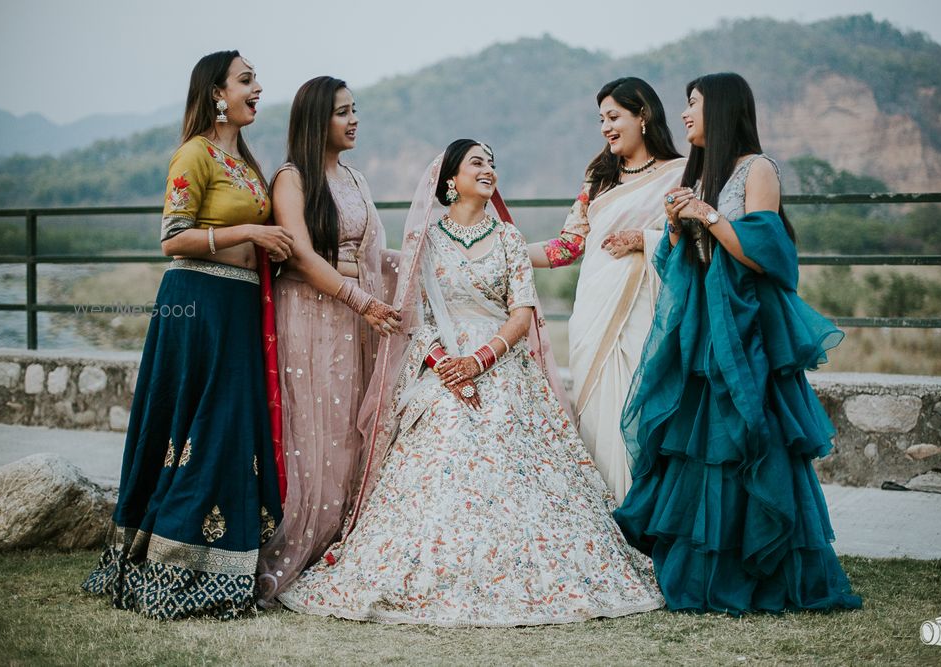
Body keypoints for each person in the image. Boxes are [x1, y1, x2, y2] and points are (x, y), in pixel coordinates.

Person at [277, 140, 662, 626]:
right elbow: (415, 317)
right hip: (441, 364)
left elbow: (522, 313)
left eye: (493, 163)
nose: (489, 170)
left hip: (500, 364)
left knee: (500, 419)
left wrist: (480, 361)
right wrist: (444, 365)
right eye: (477, 162)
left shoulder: (507, 239)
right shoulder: (427, 240)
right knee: (444, 418)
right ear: (450, 181)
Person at [615, 72, 863, 615]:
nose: (684, 115)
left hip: (747, 327)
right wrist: (678, 228)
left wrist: (706, 215)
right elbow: (680, 261)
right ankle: (706, 571)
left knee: (753, 436)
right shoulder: (706, 173)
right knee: (700, 443)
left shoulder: (759, 169)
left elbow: (768, 254)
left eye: (693, 104)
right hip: (703, 325)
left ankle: (764, 569)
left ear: (721, 109)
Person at [82, 51, 294, 620]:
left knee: (231, 429)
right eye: (247, 80)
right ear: (217, 92)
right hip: (197, 306)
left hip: (240, 308)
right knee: (198, 428)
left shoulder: (246, 164)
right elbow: (172, 239)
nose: (258, 89)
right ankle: (174, 569)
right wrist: (249, 229)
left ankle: (227, 571)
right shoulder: (193, 154)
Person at [256, 76, 401, 604]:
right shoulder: (291, 179)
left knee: (348, 428)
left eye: (355, 109)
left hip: (354, 319)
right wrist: (360, 300)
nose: (354, 119)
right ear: (319, 120)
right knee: (312, 425)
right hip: (310, 313)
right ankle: (300, 539)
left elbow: (372, 252)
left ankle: (343, 537)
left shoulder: (357, 180)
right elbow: (298, 254)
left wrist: (426, 266)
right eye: (343, 112)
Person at [528, 78, 685, 503]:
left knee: (644, 410)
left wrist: (645, 240)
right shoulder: (598, 177)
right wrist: (508, 251)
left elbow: (695, 244)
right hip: (594, 316)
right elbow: (568, 246)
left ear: (644, 116)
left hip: (648, 314)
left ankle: (647, 520)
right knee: (599, 415)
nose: (605, 127)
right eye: (601, 119)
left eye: (614, 117)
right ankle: (605, 523)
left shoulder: (682, 174)